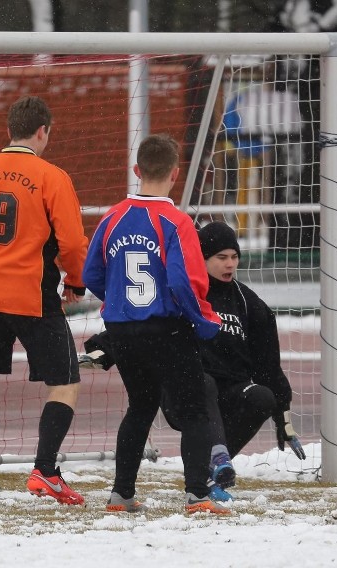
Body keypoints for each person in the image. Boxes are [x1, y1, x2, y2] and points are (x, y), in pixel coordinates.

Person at [81, 221, 306, 502]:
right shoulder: (183, 294)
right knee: (204, 383)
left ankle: (214, 470)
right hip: (183, 394)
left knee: (261, 396)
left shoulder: (249, 304)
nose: (230, 264)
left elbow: (269, 365)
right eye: (221, 258)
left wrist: (283, 416)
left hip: (231, 395)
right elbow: (146, 326)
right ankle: (214, 461)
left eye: (234, 257)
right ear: (202, 258)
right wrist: (103, 349)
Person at [0, 95, 88, 507]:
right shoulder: (51, 176)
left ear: (9, 130)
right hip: (32, 293)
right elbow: (74, 241)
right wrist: (75, 282)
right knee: (65, 381)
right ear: (43, 131)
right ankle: (45, 470)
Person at [82, 134, 230, 515]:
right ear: (175, 174)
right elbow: (185, 280)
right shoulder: (176, 222)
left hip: (123, 331)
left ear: (136, 171)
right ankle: (197, 496)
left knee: (141, 406)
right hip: (166, 327)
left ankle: (121, 495)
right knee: (195, 409)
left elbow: (91, 273)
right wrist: (201, 318)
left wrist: (118, 299)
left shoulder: (112, 217)